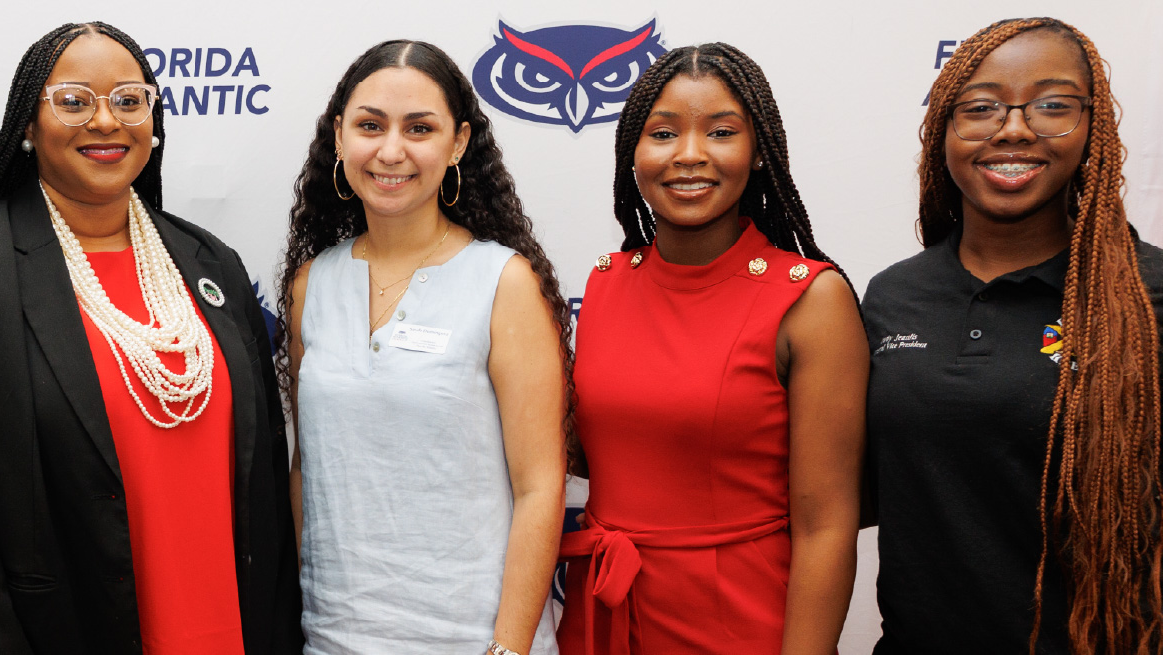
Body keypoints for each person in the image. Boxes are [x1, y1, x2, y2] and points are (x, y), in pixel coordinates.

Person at [0, 21, 300, 655]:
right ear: (27, 125)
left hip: (229, 627)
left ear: (154, 122)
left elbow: (264, 474)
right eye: (74, 101)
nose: (106, 122)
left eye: (129, 101)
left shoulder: (209, 261)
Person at [864, 17, 1161, 654]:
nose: (1015, 128)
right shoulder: (892, 296)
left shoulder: (1147, 294)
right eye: (981, 107)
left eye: (1053, 105)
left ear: (1093, 128)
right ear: (942, 130)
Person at [557, 43, 865, 654]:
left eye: (721, 132)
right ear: (633, 154)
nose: (690, 155)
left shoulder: (809, 298)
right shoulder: (605, 282)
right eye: (664, 133)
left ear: (757, 154)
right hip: (604, 620)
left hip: (738, 621)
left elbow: (826, 525)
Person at [276, 39, 569, 655]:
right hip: (332, 638)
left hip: (472, 640)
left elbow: (541, 487)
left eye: (420, 128)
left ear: (458, 143)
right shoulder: (313, 285)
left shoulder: (504, 282)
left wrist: (509, 647)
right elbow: (310, 472)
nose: (391, 151)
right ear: (339, 135)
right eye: (370, 125)